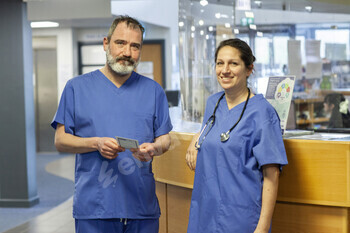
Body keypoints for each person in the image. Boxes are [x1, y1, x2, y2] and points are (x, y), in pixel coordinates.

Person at [51, 15, 172, 233]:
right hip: (95, 208)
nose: (127, 52)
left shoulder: (154, 91)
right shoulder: (76, 88)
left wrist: (155, 148)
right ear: (106, 43)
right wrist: (95, 143)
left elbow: (165, 138)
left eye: (135, 46)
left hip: (141, 208)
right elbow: (60, 141)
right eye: (121, 43)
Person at [185, 38, 288, 233]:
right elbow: (215, 134)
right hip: (205, 213)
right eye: (220, 63)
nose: (225, 70)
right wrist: (196, 137)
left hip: (241, 217)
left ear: (249, 69)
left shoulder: (262, 112)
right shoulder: (213, 103)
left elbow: (272, 174)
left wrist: (263, 227)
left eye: (233, 63)